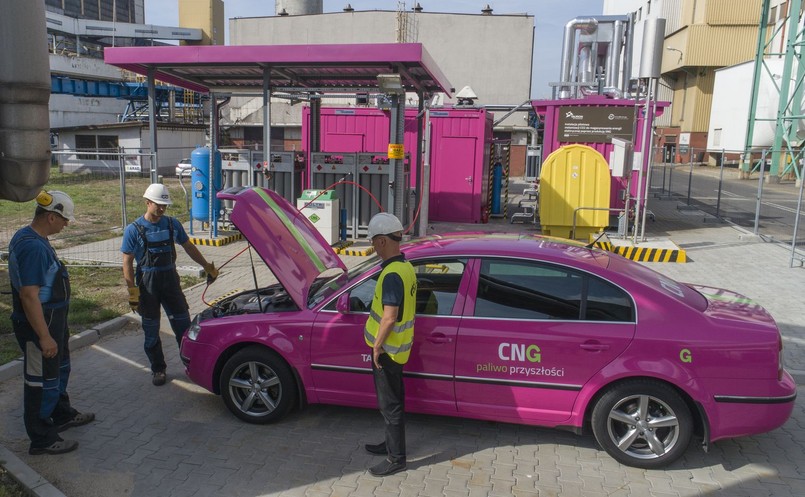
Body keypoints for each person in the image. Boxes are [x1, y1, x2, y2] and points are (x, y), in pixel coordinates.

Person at [8, 190, 95, 455]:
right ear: (50, 217)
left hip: (53, 322)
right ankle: (42, 438)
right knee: (40, 382)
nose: (66, 224)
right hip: (39, 326)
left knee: (58, 371)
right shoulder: (33, 247)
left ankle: (61, 414)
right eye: (64, 219)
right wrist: (44, 337)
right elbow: (29, 295)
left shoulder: (31, 237)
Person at [121, 183, 219, 386]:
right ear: (147, 202)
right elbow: (127, 262)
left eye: (165, 205)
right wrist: (132, 291)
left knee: (183, 328)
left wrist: (207, 266)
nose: (162, 209)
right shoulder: (133, 230)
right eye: (159, 204)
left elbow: (189, 247)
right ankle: (158, 369)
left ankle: (192, 366)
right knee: (151, 331)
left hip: (171, 282)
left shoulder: (172, 224)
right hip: (148, 285)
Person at [362, 212, 416, 477]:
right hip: (399, 350)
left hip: (387, 352)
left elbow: (390, 316)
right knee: (393, 403)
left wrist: (376, 346)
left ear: (383, 241)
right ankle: (390, 444)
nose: (373, 247)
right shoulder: (405, 267)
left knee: (390, 405)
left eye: (374, 241)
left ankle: (397, 459)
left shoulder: (392, 274)